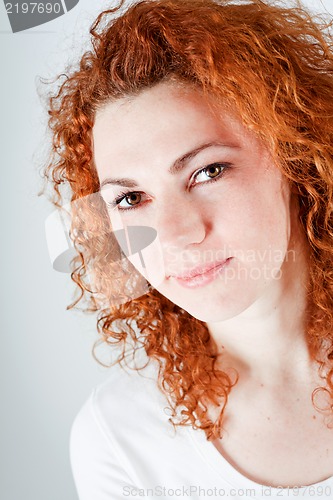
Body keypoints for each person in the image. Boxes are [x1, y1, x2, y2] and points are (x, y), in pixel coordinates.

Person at [42, 0, 333, 498]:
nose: (175, 235)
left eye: (208, 171)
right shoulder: (117, 441)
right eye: (131, 198)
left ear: (296, 157)